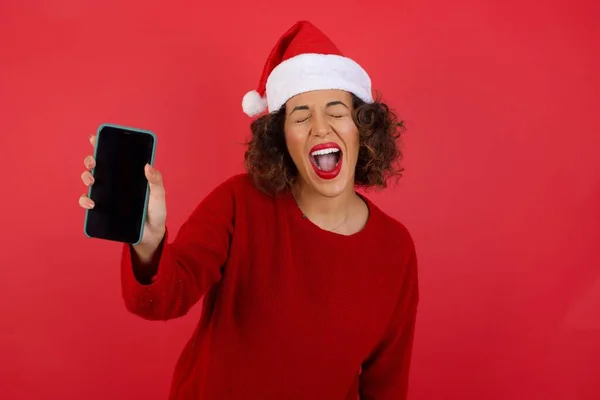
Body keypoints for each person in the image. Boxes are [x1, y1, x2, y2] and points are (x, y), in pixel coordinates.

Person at [79, 20, 419, 400]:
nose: (321, 128)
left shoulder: (396, 248)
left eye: (337, 112)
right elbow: (161, 300)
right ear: (282, 139)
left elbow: (386, 383)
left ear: (363, 128)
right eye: (302, 115)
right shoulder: (239, 202)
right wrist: (149, 240)